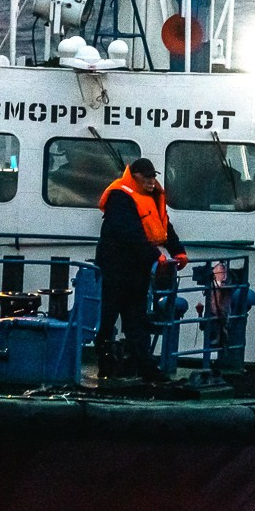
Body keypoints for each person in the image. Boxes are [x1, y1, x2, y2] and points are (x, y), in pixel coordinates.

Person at [95, 157, 187, 379]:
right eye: (146, 177)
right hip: (116, 266)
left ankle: (142, 365)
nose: (151, 181)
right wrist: (156, 255)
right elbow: (129, 233)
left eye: (153, 177)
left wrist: (178, 251)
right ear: (134, 176)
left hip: (137, 268)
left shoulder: (152, 196)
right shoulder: (120, 196)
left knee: (136, 316)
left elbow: (163, 225)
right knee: (109, 316)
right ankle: (106, 363)